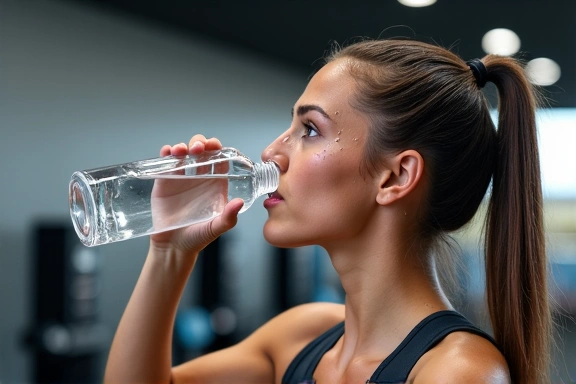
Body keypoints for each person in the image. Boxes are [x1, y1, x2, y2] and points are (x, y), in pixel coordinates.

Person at [104, 37, 551, 383]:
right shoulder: (304, 335)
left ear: (395, 178)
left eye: (310, 129)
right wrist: (169, 253)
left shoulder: (458, 371)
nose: (272, 153)